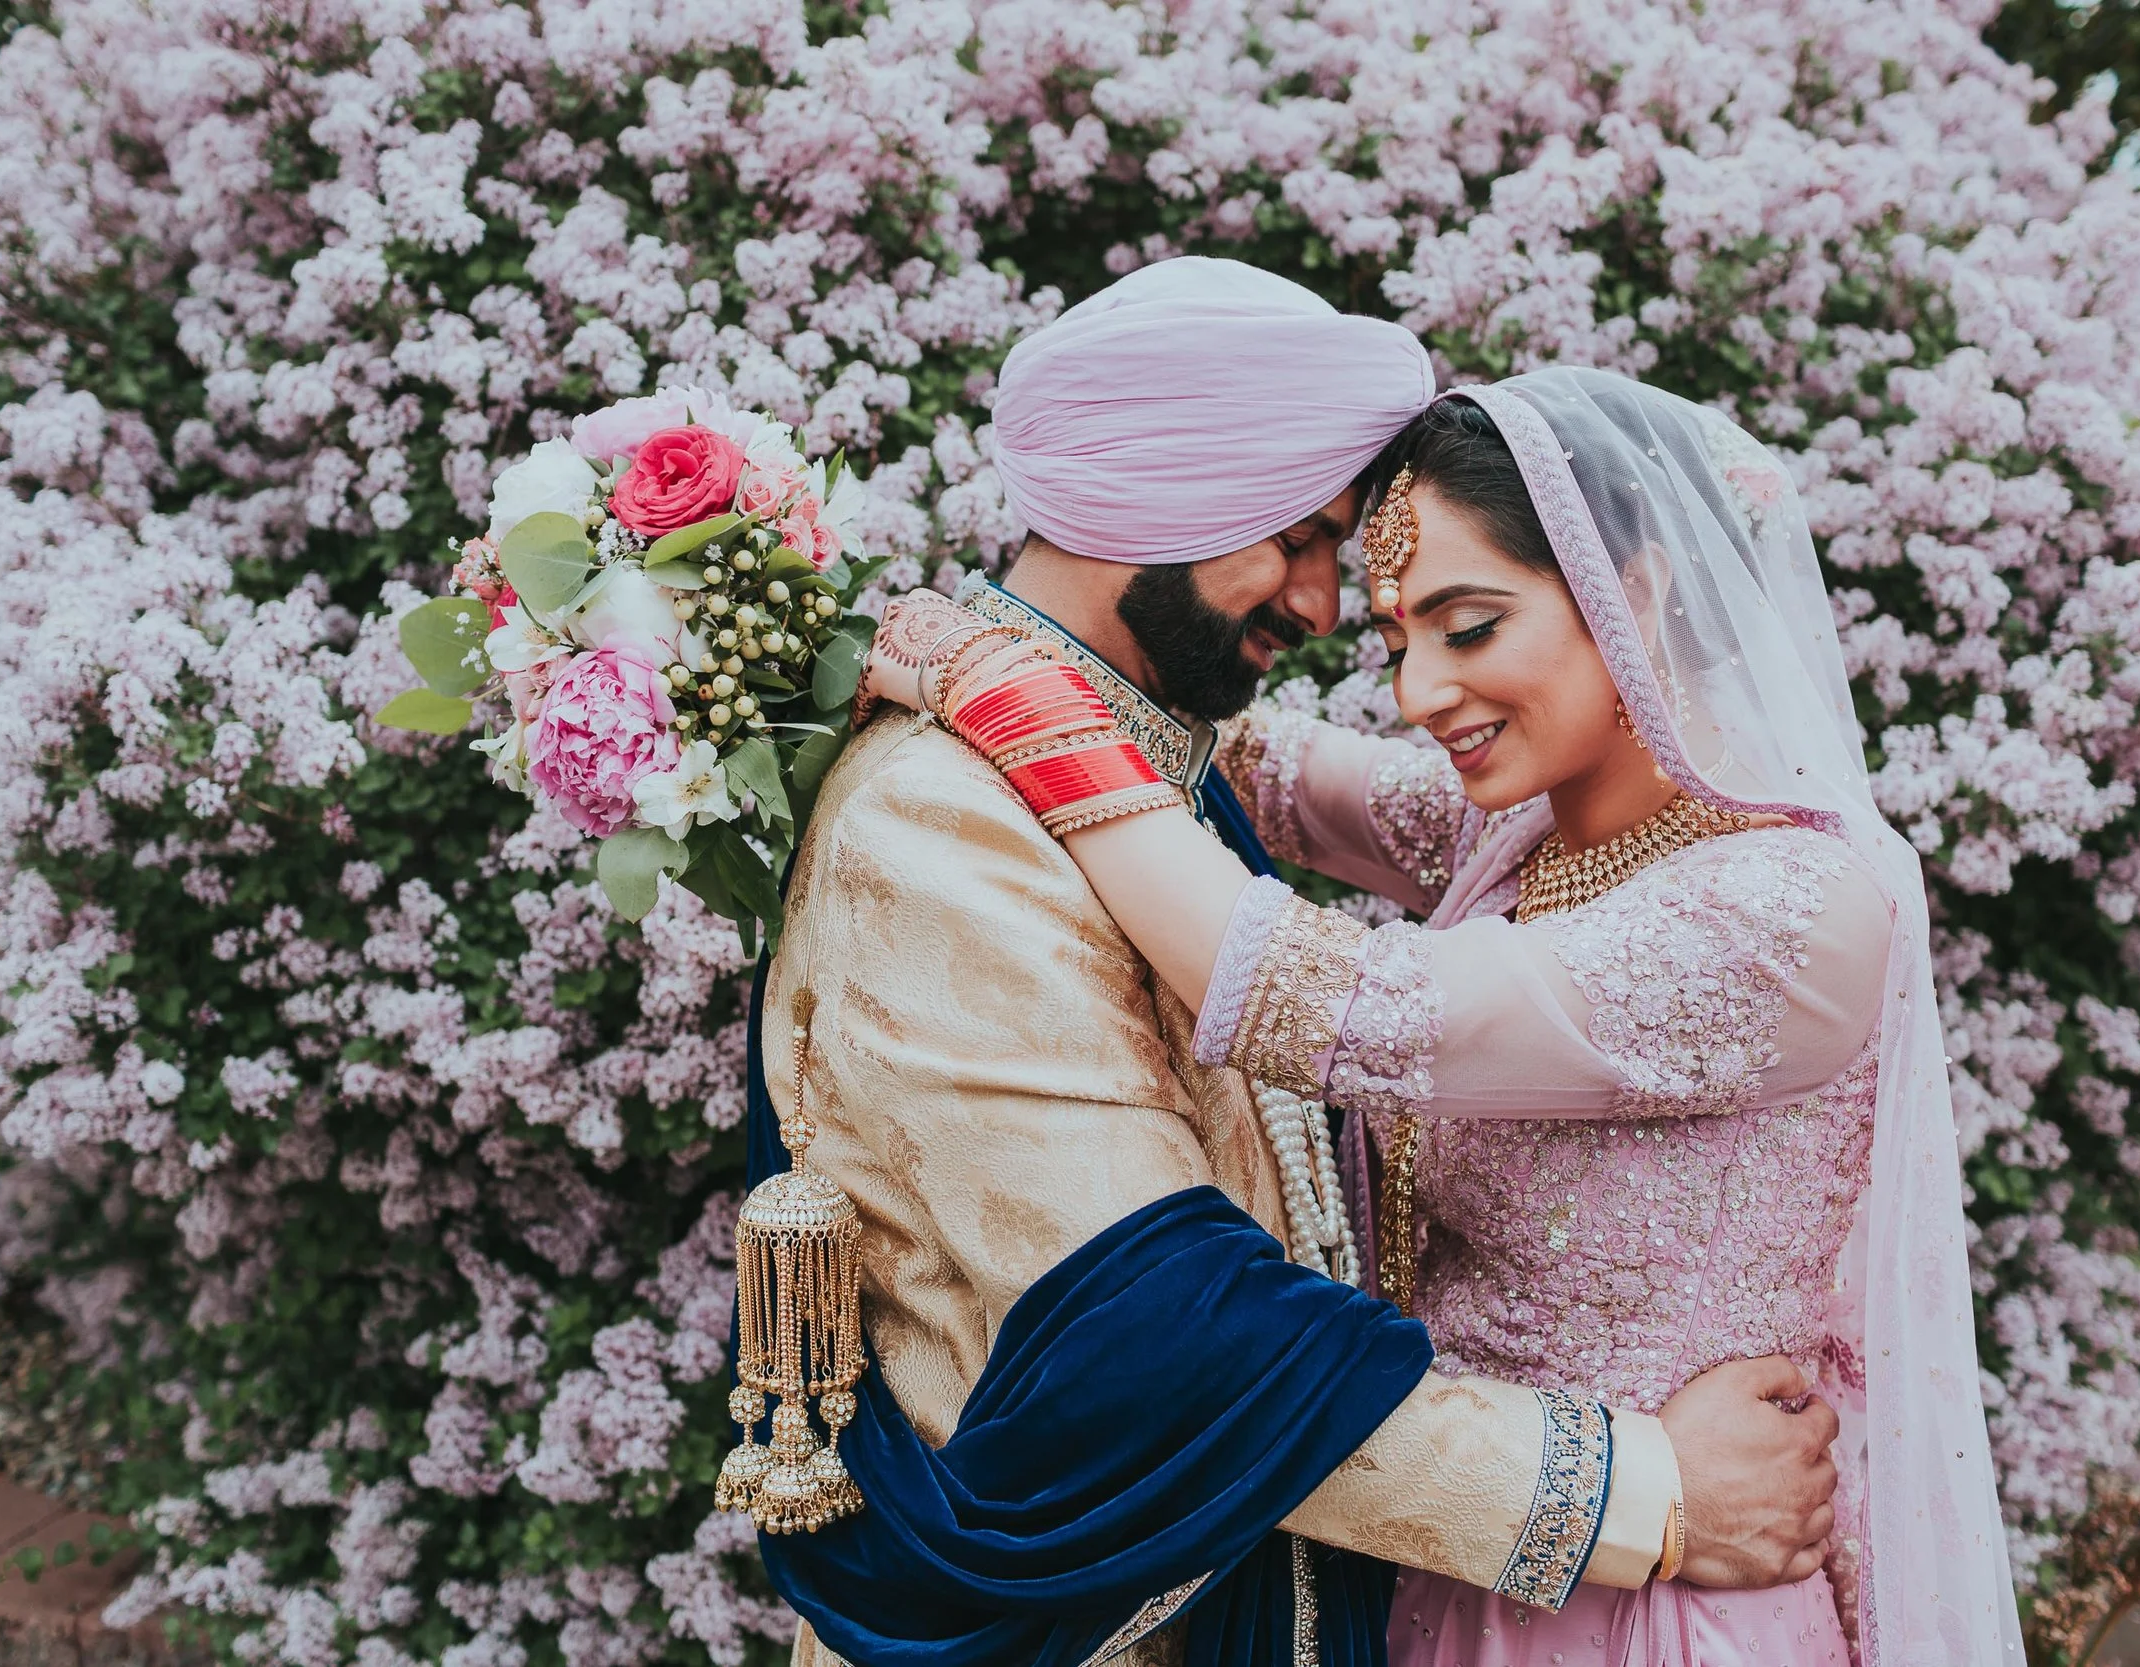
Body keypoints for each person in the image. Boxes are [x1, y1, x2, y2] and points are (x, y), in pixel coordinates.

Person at [749, 266, 1844, 1667]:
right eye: (1301, 540)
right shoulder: (946, 819)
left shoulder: (1149, 766)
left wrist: (1010, 676)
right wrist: (1645, 1490)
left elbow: (1319, 874)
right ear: (1157, 491)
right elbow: (1160, 1334)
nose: (1328, 608)